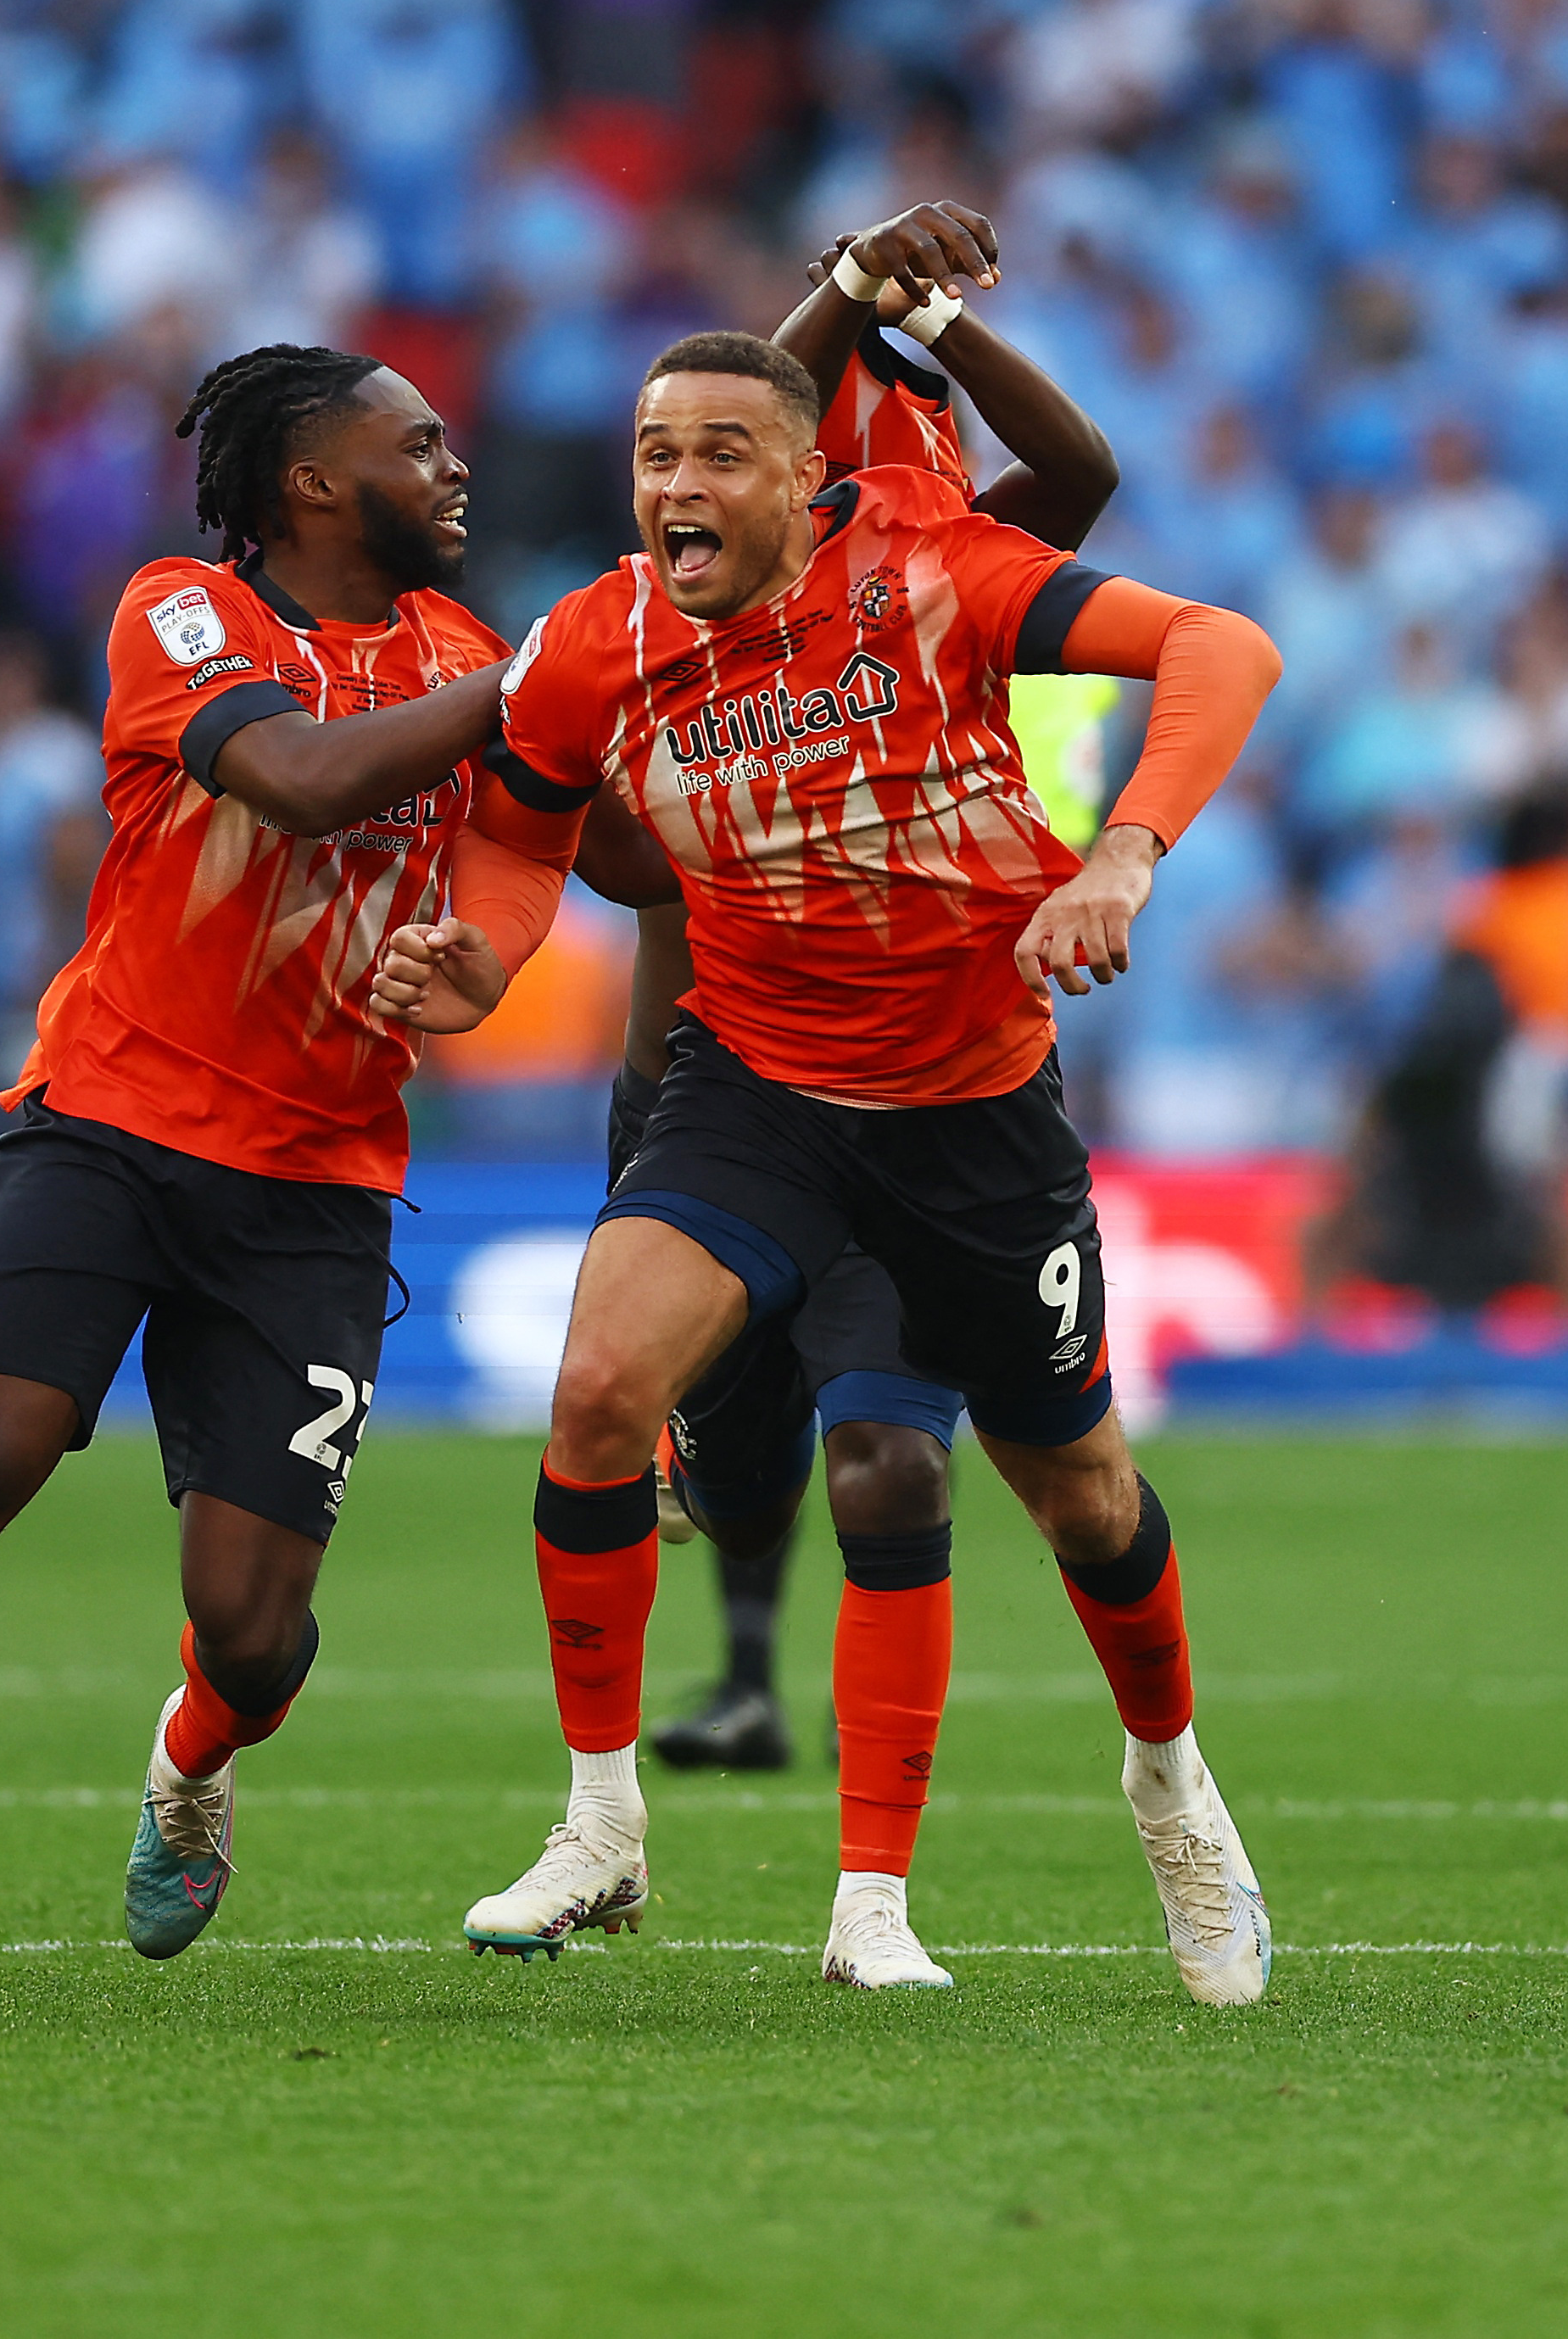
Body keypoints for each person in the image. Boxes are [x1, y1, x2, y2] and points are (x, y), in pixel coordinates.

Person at [369, 328, 1283, 2001]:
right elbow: (516, 821)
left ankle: (1169, 1780)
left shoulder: (932, 564)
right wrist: (489, 961)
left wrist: (1125, 858)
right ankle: (598, 1819)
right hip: (757, 1085)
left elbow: (1221, 645)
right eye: (654, 454)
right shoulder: (596, 636)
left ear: (803, 472)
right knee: (594, 1395)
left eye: (720, 453)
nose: (676, 487)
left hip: (971, 1107)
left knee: (1079, 1498)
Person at [0, 347, 524, 2012]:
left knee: (255, 1625)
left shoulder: (464, 652)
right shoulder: (183, 613)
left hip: (313, 1187)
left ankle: (195, 1755)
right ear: (311, 480)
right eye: (416, 445)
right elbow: (296, 774)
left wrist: (491, 940)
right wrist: (553, 671)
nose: (453, 469)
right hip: (107, 1125)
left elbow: (557, 833)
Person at [595, 204, 1121, 1785]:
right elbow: (753, 395)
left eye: (918, 446)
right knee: (740, 1461)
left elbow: (1085, 473)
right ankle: (746, 1671)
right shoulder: (698, 593)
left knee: (887, 1456)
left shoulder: (959, 580)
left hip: (914, 1081)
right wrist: (845, 287)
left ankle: (860, 1829)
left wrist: (933, 323)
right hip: (713, 1081)